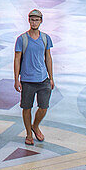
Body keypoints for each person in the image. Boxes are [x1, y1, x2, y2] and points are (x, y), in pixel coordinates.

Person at [14, 9, 54, 145]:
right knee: (27, 107)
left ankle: (35, 125)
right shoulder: (22, 39)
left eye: (37, 20)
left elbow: (48, 57)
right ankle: (29, 133)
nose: (34, 22)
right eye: (32, 19)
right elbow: (17, 59)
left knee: (44, 107)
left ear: (41, 21)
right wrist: (16, 80)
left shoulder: (45, 38)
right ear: (28, 20)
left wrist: (51, 77)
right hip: (27, 80)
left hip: (43, 79)